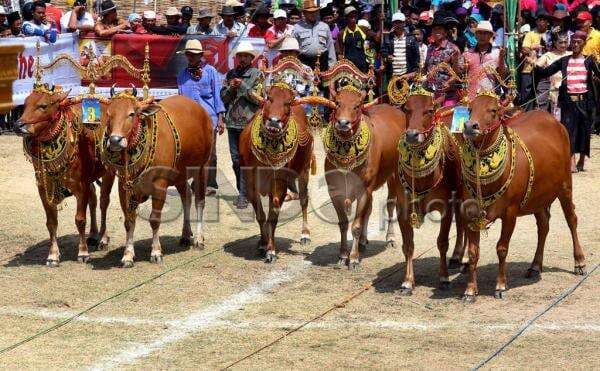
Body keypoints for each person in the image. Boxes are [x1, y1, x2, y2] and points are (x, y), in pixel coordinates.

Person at [531, 31, 600, 172]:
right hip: (568, 102)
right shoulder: (564, 61)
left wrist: (597, 63)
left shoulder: (589, 61)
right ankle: (571, 162)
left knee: (584, 131)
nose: (575, 44)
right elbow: (546, 72)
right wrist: (534, 63)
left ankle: (581, 159)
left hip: (585, 102)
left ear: (583, 44)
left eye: (578, 42)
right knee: (569, 132)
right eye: (573, 41)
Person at [177, 39, 226, 196]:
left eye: (194, 54)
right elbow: (180, 98)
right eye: (188, 54)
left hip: (209, 119)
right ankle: (193, 181)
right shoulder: (182, 75)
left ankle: (209, 184)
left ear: (200, 55)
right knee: (189, 152)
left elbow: (217, 96)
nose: (191, 57)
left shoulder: (211, 71)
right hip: (188, 122)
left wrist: (220, 118)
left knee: (210, 153)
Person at [220, 41, 262, 209]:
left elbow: (259, 98)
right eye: (240, 56)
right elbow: (223, 98)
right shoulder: (230, 74)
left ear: (251, 58)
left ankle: (244, 194)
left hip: (250, 123)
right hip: (232, 123)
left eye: (246, 56)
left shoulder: (257, 74)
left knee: (247, 159)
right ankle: (242, 191)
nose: (242, 59)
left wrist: (242, 86)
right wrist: (230, 88)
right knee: (236, 160)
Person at [459, 20, 507, 100]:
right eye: (480, 33)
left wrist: (501, 59)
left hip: (489, 99)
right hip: (470, 98)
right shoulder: (467, 53)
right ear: (475, 35)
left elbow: (502, 77)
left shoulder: (497, 54)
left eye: (485, 33)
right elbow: (460, 75)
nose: (482, 36)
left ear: (490, 35)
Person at [424, 12, 461, 107]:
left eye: (439, 29)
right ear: (431, 32)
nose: (437, 32)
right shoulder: (430, 48)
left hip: (447, 95)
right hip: (430, 93)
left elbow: (458, 74)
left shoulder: (453, 49)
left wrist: (450, 82)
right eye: (434, 29)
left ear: (445, 32)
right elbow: (426, 68)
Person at [519, 8, 552, 110]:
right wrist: (532, 48)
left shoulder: (551, 34)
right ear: (536, 21)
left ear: (547, 22)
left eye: (544, 20)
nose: (542, 22)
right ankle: (526, 118)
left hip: (545, 70)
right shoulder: (530, 34)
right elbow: (524, 49)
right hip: (529, 69)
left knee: (543, 96)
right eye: (539, 19)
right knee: (527, 96)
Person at [536, 32, 571, 119]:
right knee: (557, 117)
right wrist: (533, 60)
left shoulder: (571, 54)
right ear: (555, 43)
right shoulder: (548, 55)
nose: (563, 45)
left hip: (571, 91)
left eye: (565, 42)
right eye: (560, 42)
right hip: (556, 91)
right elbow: (537, 65)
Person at [293, 0, 336, 71]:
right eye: (310, 12)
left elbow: (330, 46)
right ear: (304, 13)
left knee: (323, 81)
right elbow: (294, 49)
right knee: (307, 82)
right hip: (304, 62)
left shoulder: (324, 26)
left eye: (314, 12)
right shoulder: (297, 27)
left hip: (323, 62)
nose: (313, 14)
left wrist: (332, 65)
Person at [382, 11, 420, 81]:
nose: (398, 25)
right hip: (392, 76)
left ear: (404, 23)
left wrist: (414, 73)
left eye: (400, 22)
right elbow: (383, 51)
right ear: (393, 24)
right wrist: (387, 56)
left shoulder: (411, 38)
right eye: (395, 22)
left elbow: (416, 58)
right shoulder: (388, 38)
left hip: (406, 76)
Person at [338, 6, 372, 73]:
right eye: (350, 15)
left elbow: (377, 38)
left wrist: (380, 21)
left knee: (363, 83)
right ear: (346, 17)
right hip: (348, 67)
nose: (353, 16)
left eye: (355, 15)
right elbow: (340, 53)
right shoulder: (341, 33)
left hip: (362, 65)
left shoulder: (363, 29)